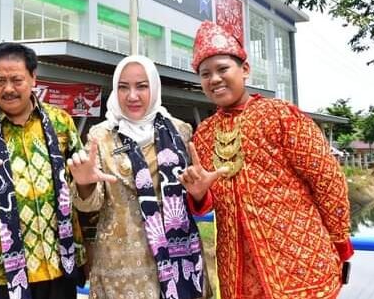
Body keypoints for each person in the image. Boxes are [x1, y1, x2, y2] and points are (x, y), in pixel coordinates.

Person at [179, 21, 353, 299]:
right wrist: (199, 196)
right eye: (205, 74)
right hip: (237, 270)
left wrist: (340, 241)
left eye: (223, 69)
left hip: (299, 261)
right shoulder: (204, 133)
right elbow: (210, 203)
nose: (214, 79)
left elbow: (327, 180)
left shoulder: (282, 115)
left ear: (245, 70)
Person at [0, 42, 87, 299]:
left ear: (33, 78)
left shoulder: (61, 122)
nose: (8, 89)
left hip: (60, 262)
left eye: (16, 79)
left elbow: (83, 182)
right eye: (0, 81)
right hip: (2, 270)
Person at [68, 55, 210, 299]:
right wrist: (84, 184)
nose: (132, 96)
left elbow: (194, 195)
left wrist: (199, 193)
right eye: (123, 87)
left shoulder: (179, 131)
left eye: (141, 86)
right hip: (121, 268)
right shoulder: (100, 136)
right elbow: (90, 204)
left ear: (154, 88)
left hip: (180, 261)